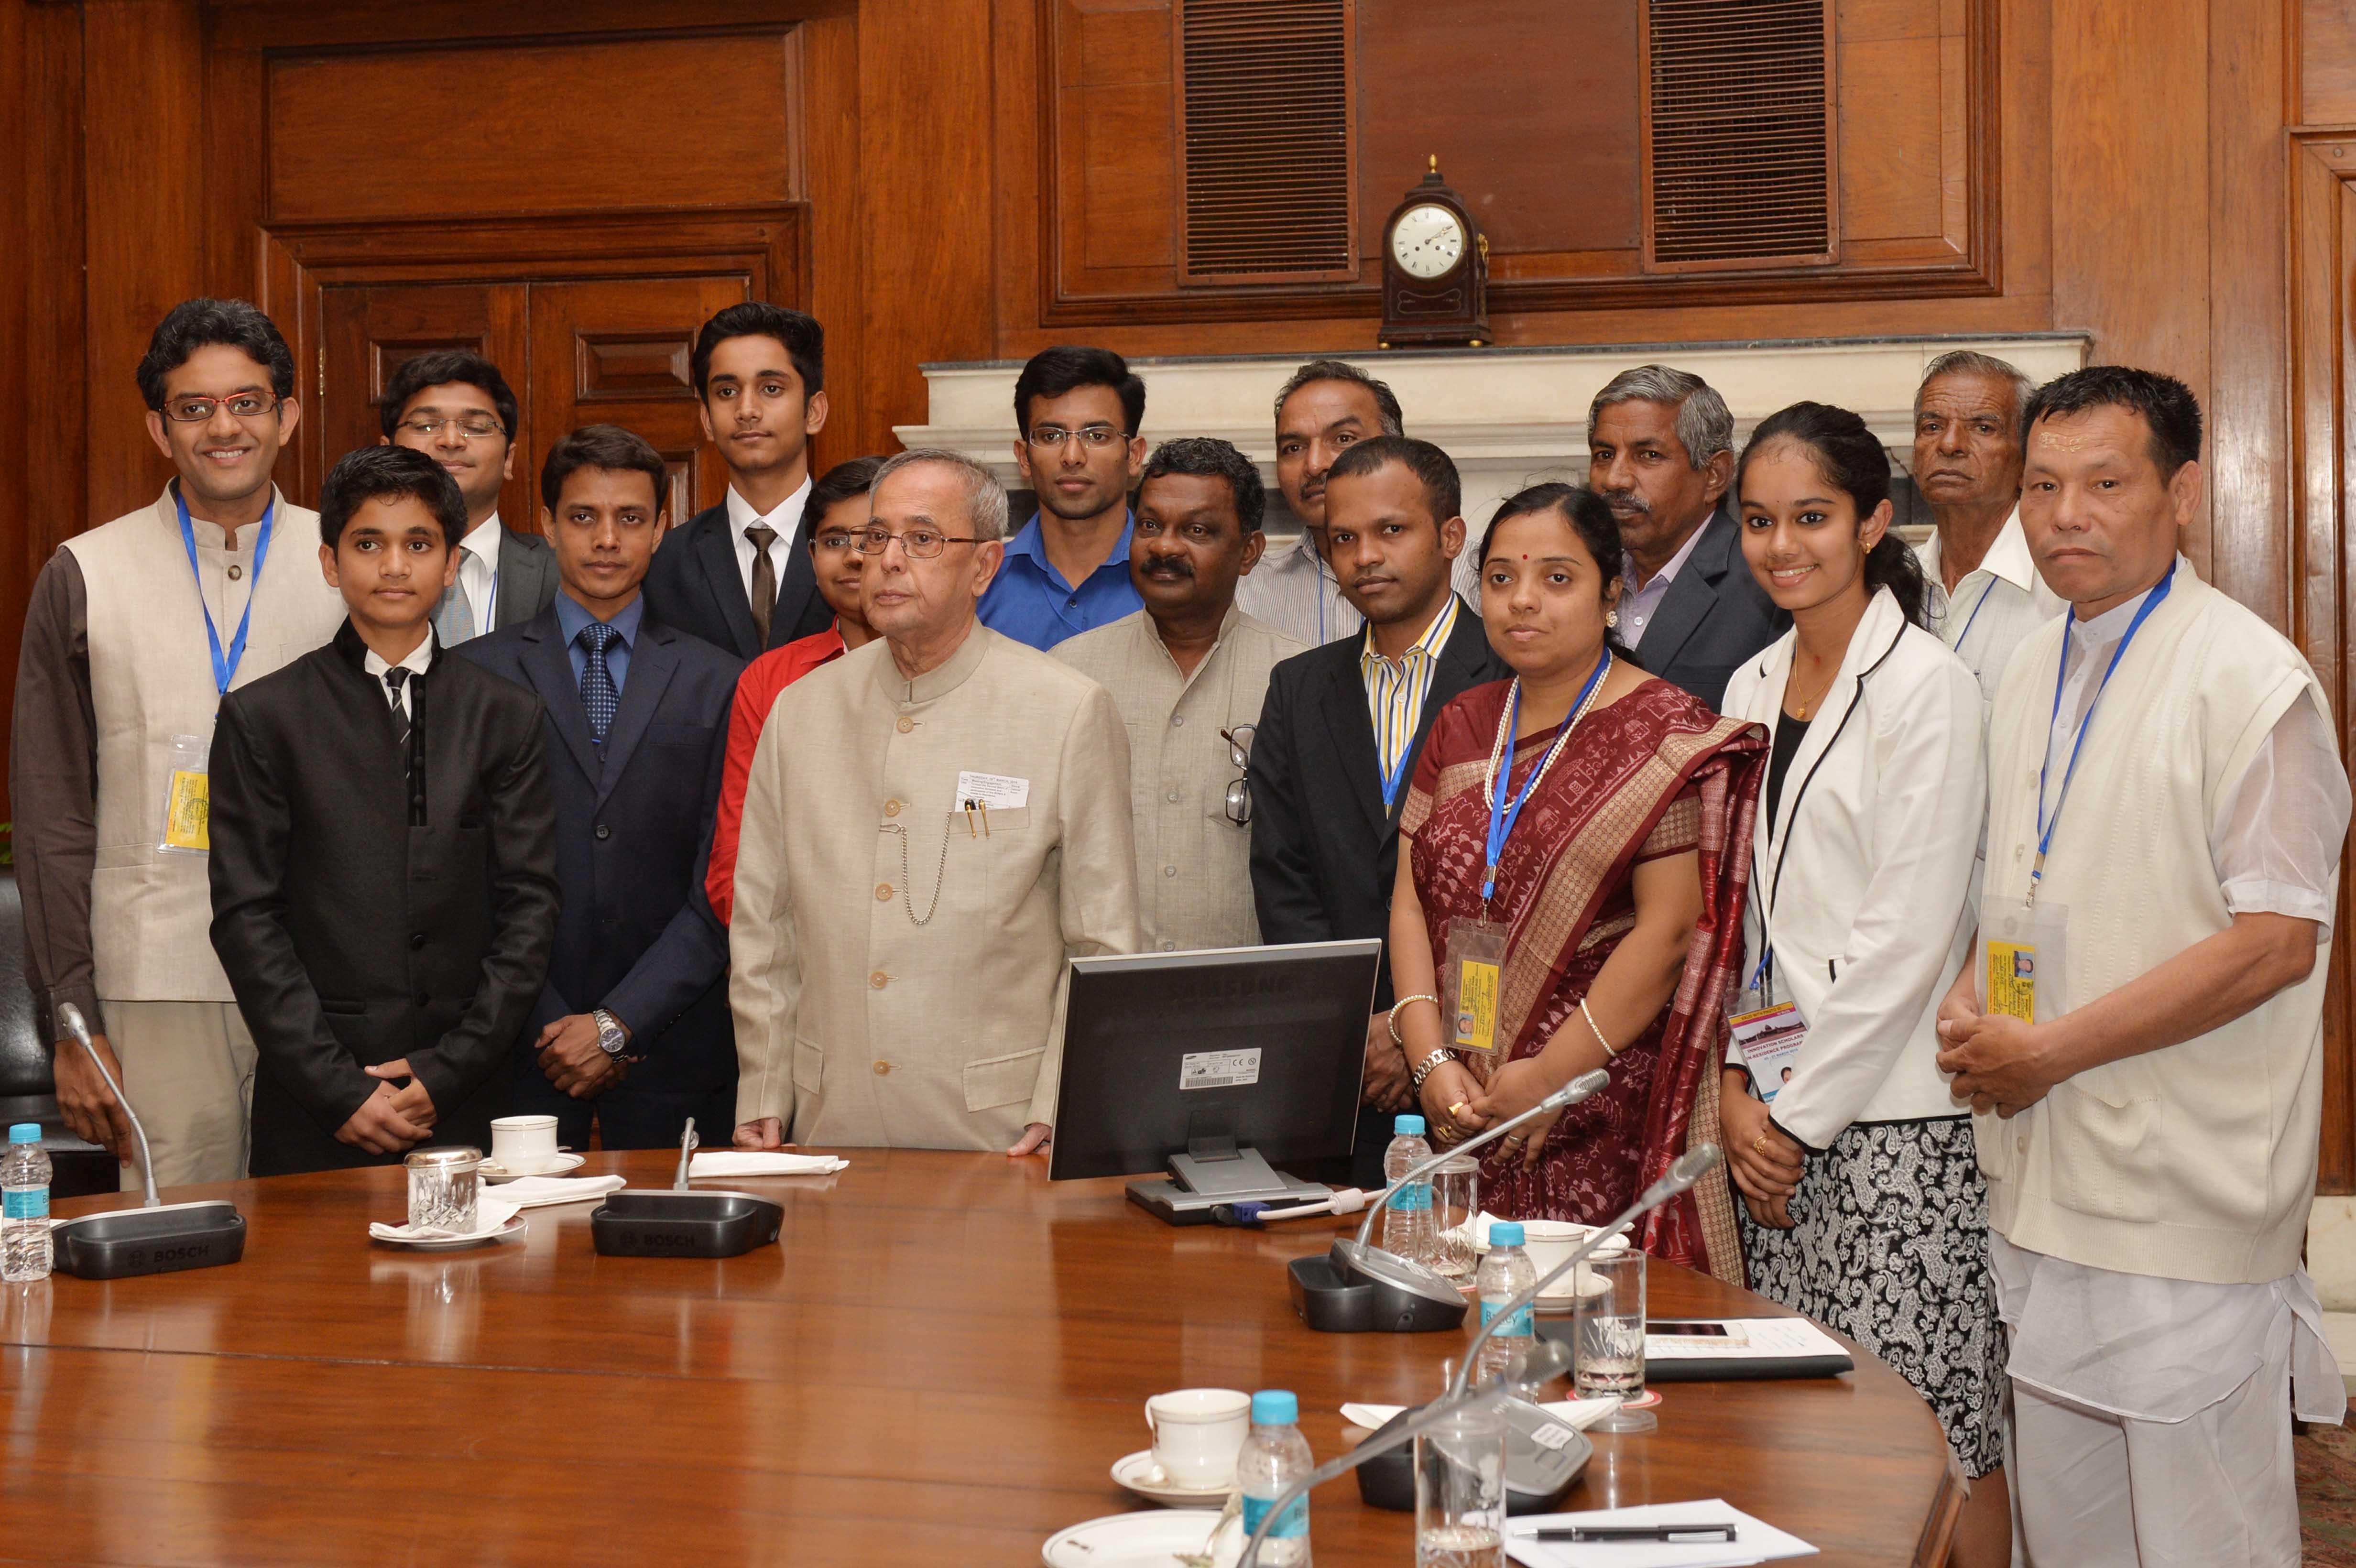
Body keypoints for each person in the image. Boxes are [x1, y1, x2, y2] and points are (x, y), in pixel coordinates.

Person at [1936, 368, 2349, 1566]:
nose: (2066, 515)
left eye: (2104, 485)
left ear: (2180, 491)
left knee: (2204, 1533)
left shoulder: (2252, 680)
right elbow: (2022, 878)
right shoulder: (2027, 663)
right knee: (2067, 1534)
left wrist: (2052, 1049)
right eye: (2046, 486)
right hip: (2041, 1172)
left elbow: (2274, 941)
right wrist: (1974, 994)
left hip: (2182, 1185)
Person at [1714, 402, 2004, 1563]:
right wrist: (1739, 1088)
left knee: (1937, 1429)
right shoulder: (1747, 682)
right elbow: (1741, 920)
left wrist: (1788, 1115)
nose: (1783, 545)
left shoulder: (1929, 686)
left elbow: (1906, 936)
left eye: (1813, 517)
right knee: (1811, 1429)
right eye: (1759, 521)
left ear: (1878, 521)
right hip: (1773, 1117)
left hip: (1893, 1124)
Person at [1388, 483, 1765, 1279]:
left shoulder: (1662, 729)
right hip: (1466, 1107)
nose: (1522, 600)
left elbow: (1667, 936)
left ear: (1610, 594)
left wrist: (1547, 1077)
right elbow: (1408, 903)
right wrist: (1428, 1067)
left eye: (1556, 578)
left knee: (1592, 1341)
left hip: (1594, 1109)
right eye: (1499, 578)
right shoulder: (1461, 722)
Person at [11, 298, 346, 1189]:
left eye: (248, 401)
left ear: (288, 417)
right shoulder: (85, 571)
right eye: (195, 408)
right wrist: (74, 1022)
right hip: (157, 980)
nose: (224, 427)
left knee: (331, 1258)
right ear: (160, 429)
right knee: (178, 1266)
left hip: (329, 977)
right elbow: (50, 818)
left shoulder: (354, 560)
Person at [730, 449, 1141, 1153]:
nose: (886, 560)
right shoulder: (800, 712)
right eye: (875, 536)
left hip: (999, 1129)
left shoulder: (1065, 710)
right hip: (833, 1122)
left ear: (984, 566)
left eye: (921, 540)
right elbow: (765, 926)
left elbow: (1102, 941)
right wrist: (764, 1088)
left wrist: (1060, 1100)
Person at [208, 446, 558, 1175]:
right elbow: (248, 919)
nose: (394, 566)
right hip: (318, 1104)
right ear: (331, 563)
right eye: (369, 544)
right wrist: (336, 1089)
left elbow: (530, 907)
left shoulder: (506, 714)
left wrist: (447, 1070)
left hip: (465, 1096)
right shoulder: (263, 717)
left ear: (452, 564)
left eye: (419, 544)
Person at [457, 426, 743, 1149]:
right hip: (518, 1053)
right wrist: (552, 1024)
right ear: (548, 526)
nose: (607, 540)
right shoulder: (473, 677)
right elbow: (461, 877)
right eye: (584, 517)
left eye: (631, 519)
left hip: (674, 1053)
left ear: (661, 529)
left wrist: (619, 1024)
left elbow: (726, 883)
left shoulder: (721, 679)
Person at [1249, 435, 1507, 1184]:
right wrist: (1360, 1033)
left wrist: (1417, 1035)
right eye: (1344, 539)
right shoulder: (1298, 689)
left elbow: (1515, 891)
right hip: (1346, 1071)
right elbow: (1284, 878)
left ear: (1450, 538)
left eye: (1392, 531)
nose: (1365, 556)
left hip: (1479, 1066)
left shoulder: (1513, 676)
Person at [1055, 438, 1305, 953]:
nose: (1165, 547)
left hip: (1246, 998)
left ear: (1249, 552)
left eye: (1197, 530)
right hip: (1105, 996)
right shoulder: (1066, 673)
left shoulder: (1299, 679)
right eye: (1150, 525)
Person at [706, 454, 887, 925]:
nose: (852, 556)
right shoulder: (772, 680)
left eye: (872, 538)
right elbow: (734, 866)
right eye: (833, 541)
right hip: (800, 961)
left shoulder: (962, 669)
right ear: (810, 556)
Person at [641, 303, 835, 659]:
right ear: (708, 420)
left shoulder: (864, 551)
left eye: (771, 389)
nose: (747, 410)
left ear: (814, 411)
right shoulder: (661, 564)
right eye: (727, 392)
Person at [1587, 364, 1787, 709]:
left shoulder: (1770, 584)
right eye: (1605, 455)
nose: (1615, 479)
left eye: (1648, 455)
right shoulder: (1576, 575)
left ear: (1714, 475)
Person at [1908, 350, 2065, 706]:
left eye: (1983, 427)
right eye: (1932, 427)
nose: (1949, 445)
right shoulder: (1890, 582)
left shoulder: (2065, 587)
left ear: (2027, 460)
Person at [378, 348, 557, 641]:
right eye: (426, 425)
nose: (450, 440)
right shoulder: (352, 566)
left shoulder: (562, 572)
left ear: (509, 460)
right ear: (387, 451)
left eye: (475, 427)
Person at [977, 346, 1147, 649]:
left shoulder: (1170, 580)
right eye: (1051, 436)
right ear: (1024, 458)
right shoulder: (980, 584)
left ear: (1134, 456)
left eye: (1097, 436)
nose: (1072, 457)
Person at [1235, 359, 1391, 647]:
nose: (1315, 465)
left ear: (1397, 452)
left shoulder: (1468, 576)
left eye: (1343, 439)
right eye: (1294, 448)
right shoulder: (1244, 590)